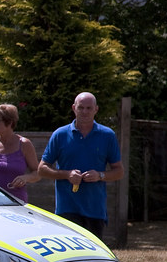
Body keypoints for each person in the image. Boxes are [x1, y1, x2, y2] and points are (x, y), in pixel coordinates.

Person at [38, 92, 124, 237]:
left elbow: (119, 171)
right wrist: (67, 174)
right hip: (67, 208)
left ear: (96, 109)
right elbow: (42, 169)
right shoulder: (60, 135)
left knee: (94, 257)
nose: (85, 112)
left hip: (94, 209)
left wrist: (100, 175)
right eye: (81, 107)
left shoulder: (107, 135)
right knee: (68, 257)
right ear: (74, 108)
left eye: (89, 108)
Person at [0, 103, 40, 203]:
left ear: (9, 123)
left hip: (14, 202)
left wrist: (26, 178)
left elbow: (37, 173)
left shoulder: (24, 144)